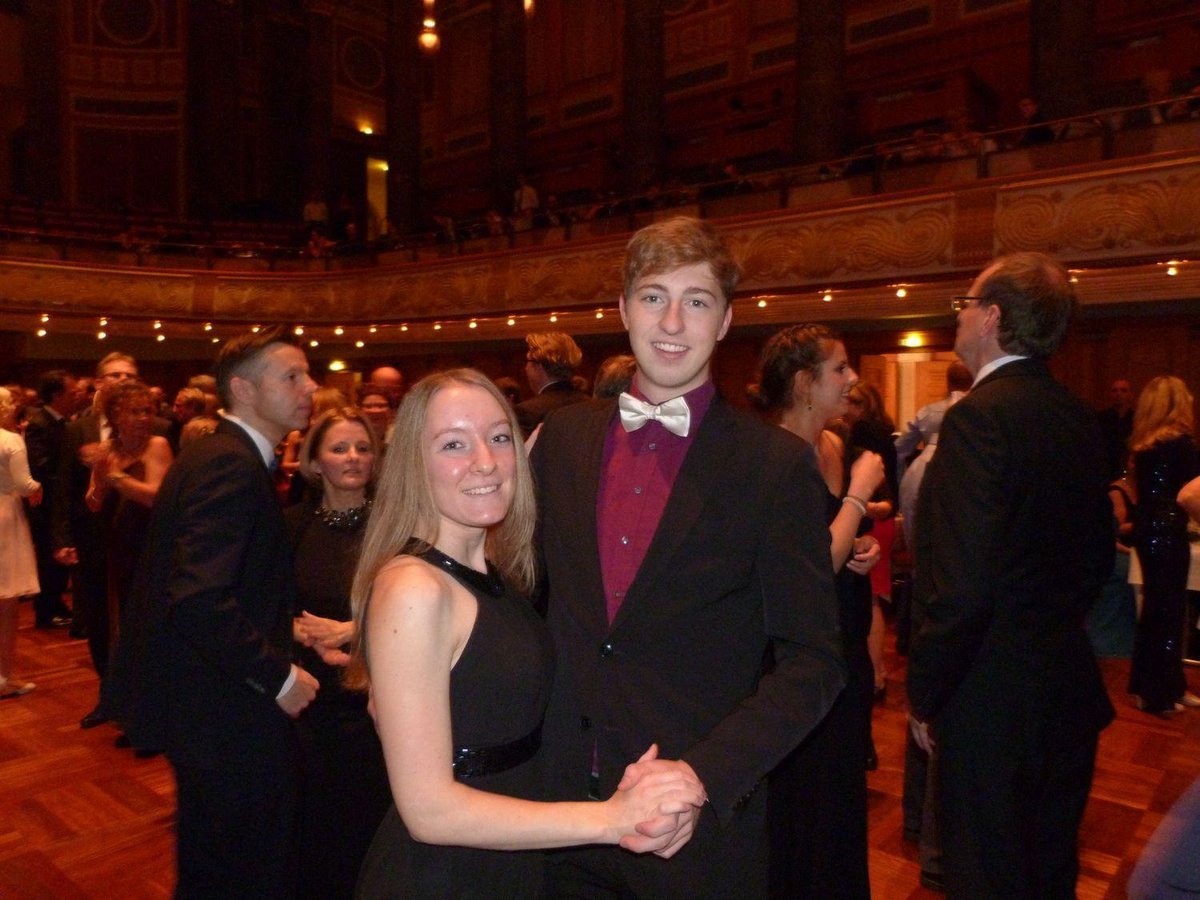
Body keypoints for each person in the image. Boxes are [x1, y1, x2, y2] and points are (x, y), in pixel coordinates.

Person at [532, 217, 844, 897]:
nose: (672, 322)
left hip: (688, 831)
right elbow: (519, 595)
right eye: (653, 297)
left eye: (696, 301)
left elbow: (815, 662)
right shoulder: (562, 438)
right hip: (557, 813)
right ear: (623, 309)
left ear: (725, 320)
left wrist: (702, 775)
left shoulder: (775, 466)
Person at [346, 369, 705, 898]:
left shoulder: (491, 572)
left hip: (506, 864)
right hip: (443, 877)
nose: (485, 461)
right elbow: (428, 811)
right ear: (412, 465)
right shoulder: (415, 587)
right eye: (453, 444)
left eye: (498, 438)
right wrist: (611, 818)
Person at [907, 252, 1115, 898]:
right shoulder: (1076, 414)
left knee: (986, 876)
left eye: (964, 304)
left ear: (992, 317)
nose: (959, 317)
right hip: (1064, 687)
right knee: (1048, 874)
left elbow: (961, 586)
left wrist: (927, 691)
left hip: (991, 703)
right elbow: (1096, 557)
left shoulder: (978, 417)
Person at [107, 326, 320, 897]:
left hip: (208, 704)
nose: (310, 387)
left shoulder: (221, 453)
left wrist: (285, 625)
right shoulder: (230, 463)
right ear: (244, 390)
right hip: (224, 712)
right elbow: (198, 598)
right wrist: (278, 676)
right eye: (292, 376)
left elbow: (218, 583)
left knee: (216, 864)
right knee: (240, 870)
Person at [749, 324, 885, 899]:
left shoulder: (828, 444)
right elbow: (813, 562)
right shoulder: (772, 455)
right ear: (805, 384)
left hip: (843, 648)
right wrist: (858, 495)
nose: (852, 379)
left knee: (840, 803)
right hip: (799, 657)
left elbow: (832, 539)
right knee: (807, 804)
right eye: (840, 369)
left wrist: (862, 542)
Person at [285, 408, 390, 899]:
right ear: (314, 462)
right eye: (340, 448)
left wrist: (353, 630)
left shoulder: (395, 527)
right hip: (309, 704)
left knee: (371, 827)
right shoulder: (289, 527)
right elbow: (268, 605)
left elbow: (427, 608)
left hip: (377, 701)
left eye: (363, 448)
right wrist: (298, 631)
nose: (353, 457)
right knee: (315, 827)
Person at [86, 380, 173, 737]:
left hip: (149, 551)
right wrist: (100, 480)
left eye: (147, 411)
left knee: (146, 631)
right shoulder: (108, 450)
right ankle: (114, 702)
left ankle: (149, 715)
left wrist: (116, 476)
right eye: (134, 411)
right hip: (114, 550)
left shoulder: (158, 445)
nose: (142, 418)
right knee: (114, 629)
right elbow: (92, 503)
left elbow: (156, 497)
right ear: (115, 416)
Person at [1127, 376, 1200, 716]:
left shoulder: (1143, 446)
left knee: (1157, 610)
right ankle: (1159, 692)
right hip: (1169, 531)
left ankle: (1158, 686)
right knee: (1167, 611)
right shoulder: (1181, 443)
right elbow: (1189, 494)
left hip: (1147, 529)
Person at [24, 370, 80, 629]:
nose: (77, 397)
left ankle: (55, 605)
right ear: (57, 395)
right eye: (72, 393)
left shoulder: (61, 422)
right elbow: (41, 467)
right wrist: (71, 478)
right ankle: (47, 611)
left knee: (59, 561)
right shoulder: (40, 423)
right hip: (46, 506)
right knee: (50, 561)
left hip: (59, 503)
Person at [0, 386, 42, 698]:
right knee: (6, 602)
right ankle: (3, 677)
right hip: (4, 517)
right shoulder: (10, 440)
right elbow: (24, 485)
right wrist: (39, 488)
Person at [514, 332, 590, 436]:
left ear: (539, 366)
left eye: (527, 361)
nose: (525, 367)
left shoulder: (527, 412)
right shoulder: (592, 404)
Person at [1098, 378, 1135, 481]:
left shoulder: (1137, 419)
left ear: (1131, 395)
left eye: (1123, 390)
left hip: (1129, 468)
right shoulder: (1101, 418)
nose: (1118, 394)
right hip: (1106, 468)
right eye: (1115, 390)